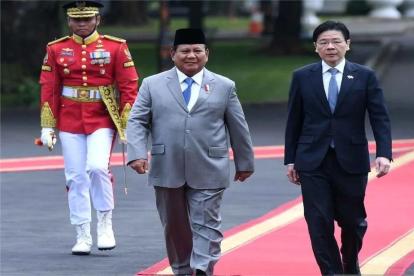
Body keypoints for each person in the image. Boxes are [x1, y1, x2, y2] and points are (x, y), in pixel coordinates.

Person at [126, 28, 254, 276]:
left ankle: (202, 268)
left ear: (207, 53)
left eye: (197, 50)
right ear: (172, 54)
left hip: (210, 164)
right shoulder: (152, 84)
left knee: (207, 223)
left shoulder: (224, 86)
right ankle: (183, 270)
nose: (191, 55)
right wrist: (137, 153)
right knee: (174, 226)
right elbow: (137, 121)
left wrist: (245, 161)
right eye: (185, 51)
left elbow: (238, 126)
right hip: (166, 165)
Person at [284, 21, 392, 275]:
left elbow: (379, 117)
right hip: (312, 160)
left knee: (353, 222)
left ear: (347, 45)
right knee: (318, 221)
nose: (330, 47)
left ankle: (350, 261)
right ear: (316, 48)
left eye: (336, 42)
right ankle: (331, 272)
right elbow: (294, 120)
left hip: (351, 159)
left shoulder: (365, 76)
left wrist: (384, 153)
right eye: (323, 42)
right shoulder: (302, 76)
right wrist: (290, 159)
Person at [38, 0, 138, 255]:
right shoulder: (56, 48)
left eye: (87, 19)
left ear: (97, 20)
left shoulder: (116, 47)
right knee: (75, 176)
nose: (82, 24)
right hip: (70, 117)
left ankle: (105, 225)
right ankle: (82, 233)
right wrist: (47, 126)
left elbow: (129, 86)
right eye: (77, 20)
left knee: (96, 167)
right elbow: (48, 87)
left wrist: (127, 123)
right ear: (69, 21)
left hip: (102, 116)